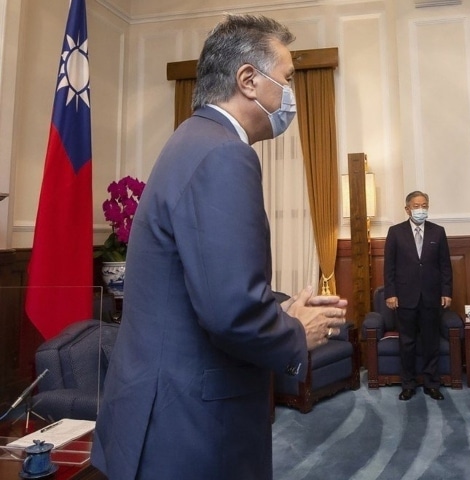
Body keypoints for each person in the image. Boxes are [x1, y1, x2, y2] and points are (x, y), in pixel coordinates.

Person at [91, 15, 348, 480]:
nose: (291, 97)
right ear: (248, 80)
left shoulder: (191, 139)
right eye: (287, 80)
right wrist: (295, 331)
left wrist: (279, 305)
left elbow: (202, 280)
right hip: (190, 424)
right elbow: (230, 311)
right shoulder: (226, 153)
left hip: (159, 410)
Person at [384, 191, 453, 401]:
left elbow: (445, 266)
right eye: (416, 206)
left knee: (431, 342)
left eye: (424, 205)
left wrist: (446, 291)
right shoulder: (395, 232)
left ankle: (432, 384)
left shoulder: (438, 232)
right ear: (407, 209)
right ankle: (408, 384)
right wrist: (391, 293)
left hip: (432, 297)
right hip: (405, 297)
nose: (421, 209)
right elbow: (389, 267)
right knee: (407, 343)